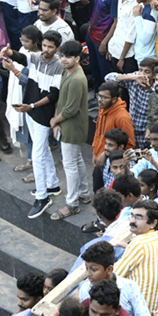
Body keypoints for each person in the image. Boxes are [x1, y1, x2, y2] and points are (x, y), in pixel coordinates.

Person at [51, 40, 92, 220]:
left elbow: (70, 109)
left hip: (72, 127)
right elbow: (63, 102)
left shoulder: (76, 79)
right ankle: (83, 193)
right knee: (77, 160)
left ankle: (72, 203)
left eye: (68, 57)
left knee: (70, 165)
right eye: (62, 56)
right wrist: (57, 121)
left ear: (77, 58)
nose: (64, 60)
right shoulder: (69, 73)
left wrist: (54, 121)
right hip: (69, 125)